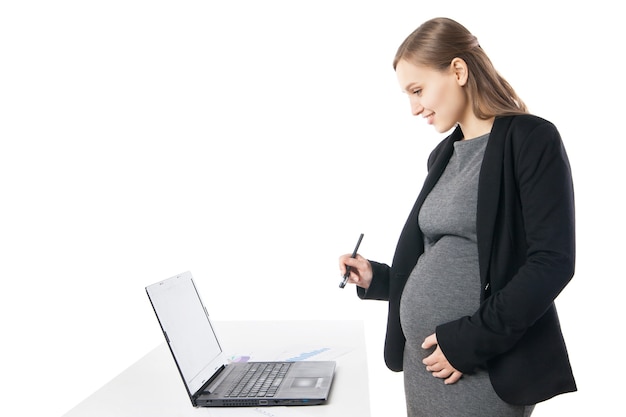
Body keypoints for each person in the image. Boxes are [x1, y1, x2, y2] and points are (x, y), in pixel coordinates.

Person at [339, 17, 576, 417]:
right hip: (428, 363)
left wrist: (468, 343)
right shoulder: (444, 155)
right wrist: (376, 277)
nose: (414, 108)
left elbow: (552, 263)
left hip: (480, 362)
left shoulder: (531, 140)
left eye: (418, 90)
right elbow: (441, 254)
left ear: (458, 71)